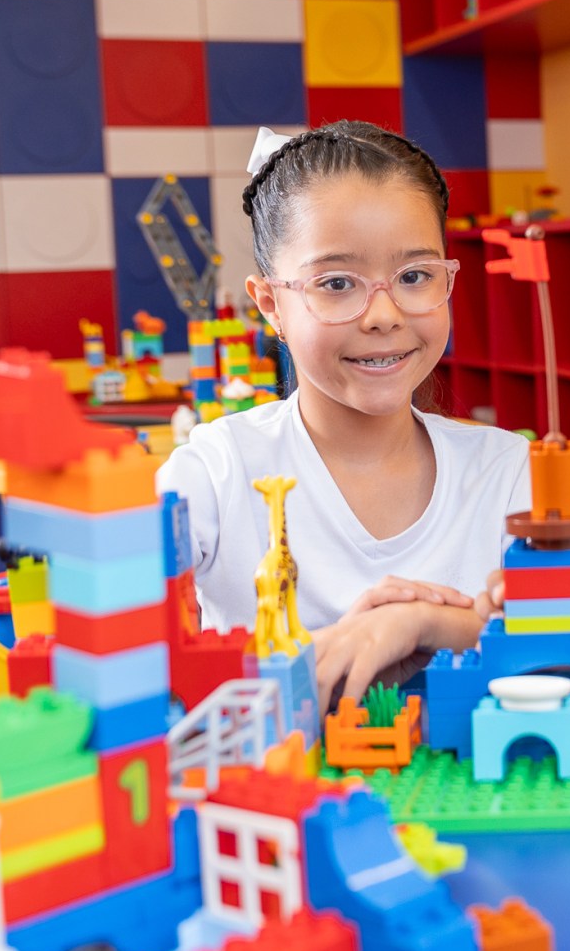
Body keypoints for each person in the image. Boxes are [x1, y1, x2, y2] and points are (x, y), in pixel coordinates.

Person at [156, 122, 527, 707]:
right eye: (335, 282)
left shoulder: (508, 473)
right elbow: (115, 634)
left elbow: (564, 649)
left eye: (414, 276)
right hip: (267, 792)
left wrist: (431, 625)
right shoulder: (214, 472)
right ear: (271, 304)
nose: (383, 314)